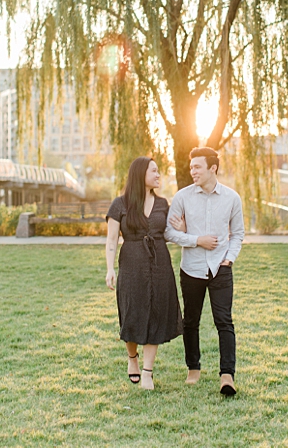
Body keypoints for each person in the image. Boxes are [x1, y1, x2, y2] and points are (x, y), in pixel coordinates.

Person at [165, 147, 245, 396]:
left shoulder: (232, 198)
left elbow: (238, 233)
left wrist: (229, 259)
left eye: (197, 167)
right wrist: (197, 240)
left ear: (213, 168)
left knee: (224, 321)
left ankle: (227, 375)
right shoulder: (182, 197)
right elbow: (169, 232)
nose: (193, 171)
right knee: (191, 321)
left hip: (220, 268)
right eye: (191, 167)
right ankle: (193, 368)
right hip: (192, 268)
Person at [104, 157, 183, 390]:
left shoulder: (162, 204)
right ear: (140, 174)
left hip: (159, 265)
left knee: (156, 314)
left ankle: (148, 372)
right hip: (131, 265)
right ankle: (132, 358)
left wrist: (183, 227)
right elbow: (111, 240)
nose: (159, 175)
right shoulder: (120, 204)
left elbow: (172, 231)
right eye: (154, 171)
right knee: (132, 313)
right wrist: (110, 269)